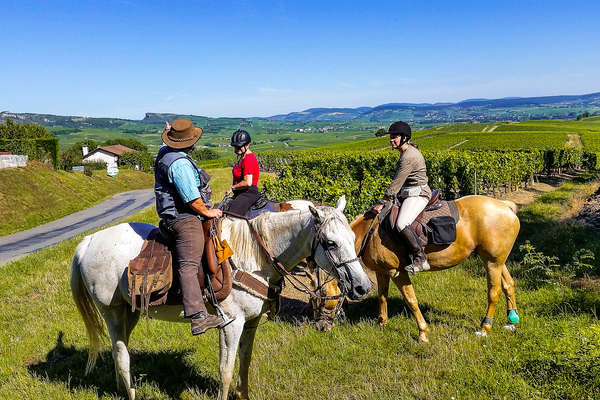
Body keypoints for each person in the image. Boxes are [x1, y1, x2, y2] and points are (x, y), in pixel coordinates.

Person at [154, 118, 232, 335]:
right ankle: (198, 316)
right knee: (189, 263)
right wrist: (208, 211)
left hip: (172, 215)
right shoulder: (179, 164)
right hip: (183, 218)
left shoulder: (164, 152)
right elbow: (191, 198)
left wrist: (169, 133)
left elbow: (164, 145)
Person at [372, 121, 432, 274]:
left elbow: (395, 184)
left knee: (401, 223)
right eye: (390, 137)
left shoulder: (408, 157)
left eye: (394, 137)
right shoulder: (406, 152)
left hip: (418, 194)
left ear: (405, 138)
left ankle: (420, 258)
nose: (391, 140)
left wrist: (382, 202)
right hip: (407, 192)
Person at [224, 129, 261, 215]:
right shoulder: (242, 157)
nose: (236, 149)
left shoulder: (248, 159)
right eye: (235, 146)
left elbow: (248, 182)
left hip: (248, 193)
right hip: (241, 192)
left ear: (247, 145)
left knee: (232, 215)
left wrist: (232, 187)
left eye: (239, 146)